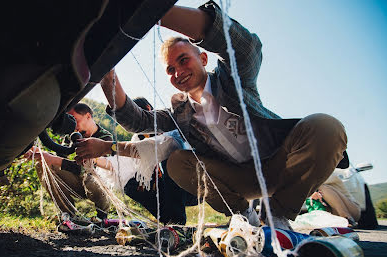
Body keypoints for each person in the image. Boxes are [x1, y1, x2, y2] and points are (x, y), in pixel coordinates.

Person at [84, 1, 347, 230]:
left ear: (204, 58)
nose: (177, 72)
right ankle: (242, 214)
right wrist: (107, 75)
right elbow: (137, 120)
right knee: (177, 162)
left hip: (278, 164)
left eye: (184, 60)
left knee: (326, 127)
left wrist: (152, 10)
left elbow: (246, 48)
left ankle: (277, 214)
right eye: (170, 69)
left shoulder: (232, 80)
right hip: (238, 179)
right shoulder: (180, 112)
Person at [90, 97, 197, 225]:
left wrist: (106, 146)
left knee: (168, 159)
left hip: (191, 185)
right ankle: (169, 221)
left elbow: (159, 146)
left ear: (147, 109)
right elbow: (123, 162)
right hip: (162, 189)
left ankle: (177, 221)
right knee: (130, 183)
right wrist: (94, 158)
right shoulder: (137, 138)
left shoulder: (169, 125)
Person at [25, 103, 113, 228]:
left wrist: (53, 159)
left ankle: (102, 216)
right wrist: (40, 154)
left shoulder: (105, 138)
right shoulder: (71, 136)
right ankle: (68, 214)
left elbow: (87, 168)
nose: (73, 125)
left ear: (88, 116)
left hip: (98, 186)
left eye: (75, 119)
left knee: (91, 176)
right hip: (78, 183)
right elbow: (59, 159)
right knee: (44, 164)